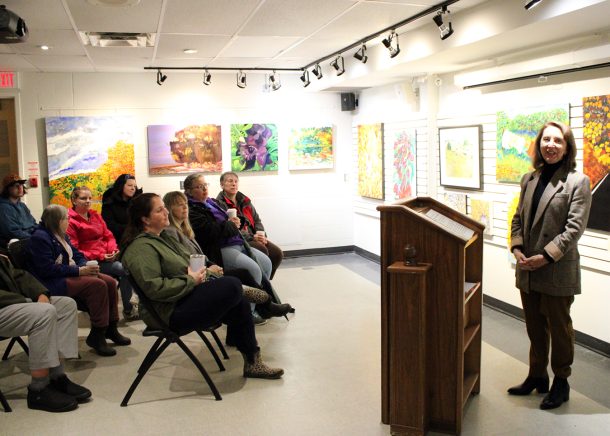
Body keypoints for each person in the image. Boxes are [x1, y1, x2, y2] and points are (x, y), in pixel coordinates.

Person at [121, 193, 284, 379]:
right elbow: (155, 288)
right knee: (232, 284)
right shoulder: (141, 248)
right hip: (168, 313)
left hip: (183, 297)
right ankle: (257, 299)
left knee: (239, 301)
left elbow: (188, 267)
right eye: (159, 210)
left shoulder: (162, 238)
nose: (166, 212)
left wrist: (207, 272)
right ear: (145, 219)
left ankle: (253, 363)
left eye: (164, 207)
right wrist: (191, 280)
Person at [508, 121, 592, 410]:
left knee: (560, 328)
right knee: (534, 327)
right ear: (539, 144)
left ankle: (561, 382)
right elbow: (517, 218)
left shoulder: (578, 181)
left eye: (558, 141)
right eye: (546, 140)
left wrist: (545, 256)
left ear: (567, 146)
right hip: (528, 268)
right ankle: (536, 375)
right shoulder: (529, 179)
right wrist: (517, 247)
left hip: (555, 268)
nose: (551, 145)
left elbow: (574, 228)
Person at [162, 191, 293, 320]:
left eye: (185, 204)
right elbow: (185, 261)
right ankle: (258, 309)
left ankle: (264, 306)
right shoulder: (172, 232)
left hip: (210, 265)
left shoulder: (186, 228)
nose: (185, 207)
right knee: (243, 276)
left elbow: (252, 221)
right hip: (199, 277)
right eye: (179, 205)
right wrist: (208, 270)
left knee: (254, 267)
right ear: (169, 209)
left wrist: (211, 265)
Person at [26, 204, 131, 357]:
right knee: (97, 285)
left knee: (109, 282)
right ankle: (98, 333)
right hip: (51, 281)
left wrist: (84, 266)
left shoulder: (61, 234)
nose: (68, 221)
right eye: (66, 219)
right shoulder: (40, 238)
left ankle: (111, 328)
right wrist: (79, 271)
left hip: (68, 273)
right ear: (57, 220)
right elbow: (46, 269)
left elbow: (77, 254)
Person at [0, 254, 91, 412]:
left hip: (11, 304)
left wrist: (40, 293)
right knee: (43, 312)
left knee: (66, 305)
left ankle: (57, 376)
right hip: (7, 303)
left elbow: (17, 275)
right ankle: (39, 389)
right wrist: (25, 301)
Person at [66, 186, 138, 321]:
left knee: (131, 263)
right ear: (74, 200)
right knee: (124, 269)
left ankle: (129, 307)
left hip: (106, 256)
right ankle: (130, 308)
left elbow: (108, 236)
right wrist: (101, 255)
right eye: (83, 198)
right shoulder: (70, 221)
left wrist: (112, 249)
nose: (88, 201)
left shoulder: (95, 215)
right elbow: (74, 249)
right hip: (89, 261)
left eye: (89, 198)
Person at [216, 171, 283, 279]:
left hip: (254, 236)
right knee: (263, 250)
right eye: (230, 181)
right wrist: (253, 237)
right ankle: (260, 281)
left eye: (236, 181)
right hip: (240, 239)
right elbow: (232, 228)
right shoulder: (219, 204)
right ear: (222, 185)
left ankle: (266, 280)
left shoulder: (245, 200)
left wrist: (261, 235)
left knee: (277, 253)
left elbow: (257, 220)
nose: (234, 184)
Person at [101, 173, 142, 244]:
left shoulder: (136, 203)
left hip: (136, 239)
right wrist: (132, 229)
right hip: (116, 241)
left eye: (135, 186)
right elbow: (109, 226)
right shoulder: (109, 203)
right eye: (129, 185)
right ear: (121, 186)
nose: (133, 188)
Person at [0, 174, 37, 248]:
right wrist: (34, 238)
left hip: (29, 239)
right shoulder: (3, 208)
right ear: (7, 189)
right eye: (16, 185)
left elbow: (33, 224)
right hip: (16, 245)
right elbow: (12, 232)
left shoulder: (22, 205)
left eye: (21, 185)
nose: (20, 187)